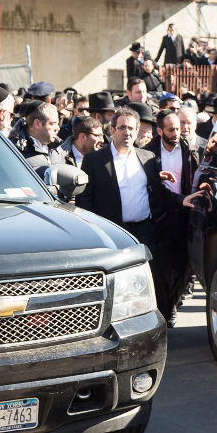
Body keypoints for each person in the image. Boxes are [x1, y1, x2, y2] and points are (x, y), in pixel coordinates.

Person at [76, 108, 169, 311]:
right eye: (122, 128)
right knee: (115, 283)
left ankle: (153, 317)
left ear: (137, 131)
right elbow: (85, 199)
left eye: (131, 128)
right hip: (112, 232)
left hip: (144, 230)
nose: (127, 132)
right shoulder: (94, 160)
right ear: (113, 131)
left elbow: (158, 192)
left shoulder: (148, 158)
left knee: (148, 279)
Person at [154, 110, 198, 326]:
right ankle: (166, 308)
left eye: (178, 129)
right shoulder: (148, 152)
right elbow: (152, 187)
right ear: (160, 130)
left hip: (185, 215)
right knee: (162, 267)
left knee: (183, 266)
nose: (176, 133)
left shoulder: (190, 150)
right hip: (160, 216)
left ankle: (171, 303)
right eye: (171, 129)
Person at [14, 102, 67, 173]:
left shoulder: (60, 148)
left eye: (57, 124)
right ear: (37, 124)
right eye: (52, 124)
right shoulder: (15, 150)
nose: (57, 128)